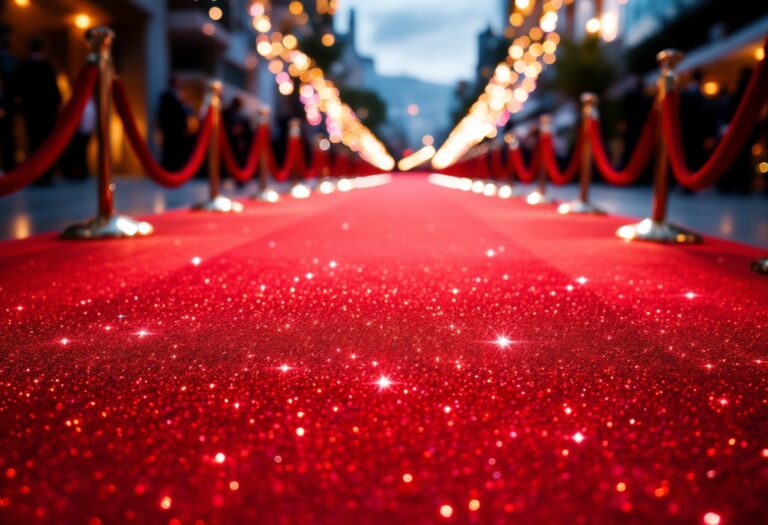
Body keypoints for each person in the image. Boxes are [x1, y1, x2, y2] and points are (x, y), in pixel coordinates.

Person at [15, 38, 61, 185]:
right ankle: (46, 176)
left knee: (34, 143)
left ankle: (35, 176)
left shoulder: (24, 67)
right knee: (46, 145)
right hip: (46, 113)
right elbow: (55, 93)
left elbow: (17, 90)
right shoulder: (47, 67)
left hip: (31, 113)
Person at [157, 76, 191, 171]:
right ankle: (168, 170)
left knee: (178, 151)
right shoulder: (165, 96)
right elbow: (164, 114)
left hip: (179, 130)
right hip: (170, 130)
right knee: (169, 151)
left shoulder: (180, 96)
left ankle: (177, 169)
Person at [60, 97, 95, 181]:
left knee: (81, 153)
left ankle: (82, 172)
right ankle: (79, 172)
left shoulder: (88, 104)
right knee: (79, 153)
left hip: (84, 131)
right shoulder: (88, 104)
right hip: (81, 131)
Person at [222, 96, 252, 185]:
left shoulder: (238, 115)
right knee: (231, 160)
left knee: (236, 160)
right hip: (230, 141)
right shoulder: (229, 114)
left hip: (234, 142)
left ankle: (238, 179)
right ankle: (230, 179)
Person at [0, 26, 17, 172]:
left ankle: (9, 167)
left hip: (7, 104)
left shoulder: (9, 59)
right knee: (6, 137)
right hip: (4, 103)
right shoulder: (7, 60)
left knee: (7, 137)